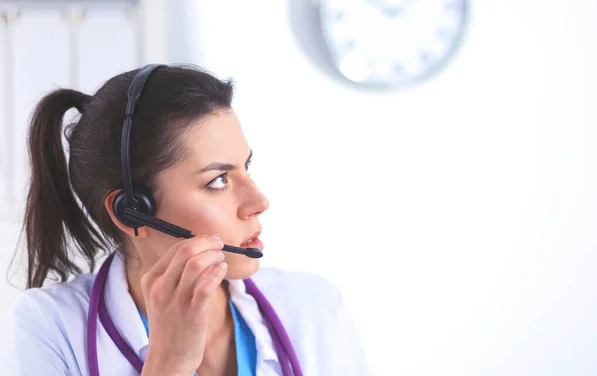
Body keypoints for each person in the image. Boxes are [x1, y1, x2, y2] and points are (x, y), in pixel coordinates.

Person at [0, 64, 370, 375]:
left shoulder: (315, 307)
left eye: (247, 168)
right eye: (218, 181)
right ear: (132, 212)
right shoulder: (51, 326)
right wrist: (171, 363)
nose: (259, 201)